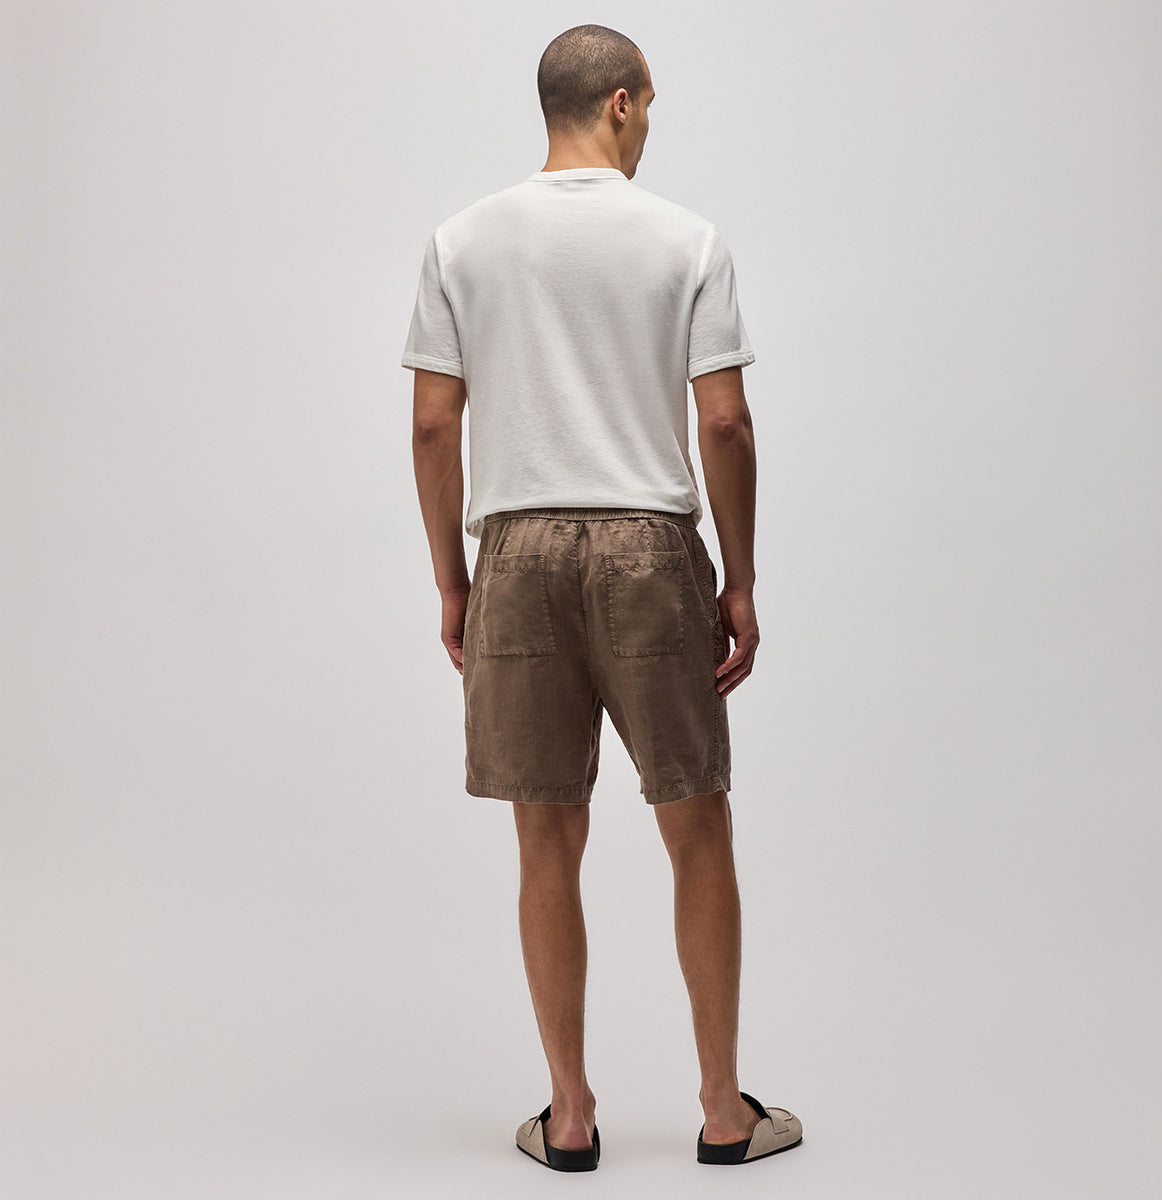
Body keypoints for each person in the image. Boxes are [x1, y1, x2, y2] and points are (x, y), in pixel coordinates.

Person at [402, 23, 802, 1172]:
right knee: (696, 822)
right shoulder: (686, 238)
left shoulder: (461, 241)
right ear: (622, 102)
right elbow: (724, 421)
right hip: (649, 550)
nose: (650, 124)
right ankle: (722, 1113)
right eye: (651, 105)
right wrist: (740, 576)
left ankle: (570, 1116)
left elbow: (432, 424)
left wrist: (454, 579)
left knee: (546, 834)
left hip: (516, 552)